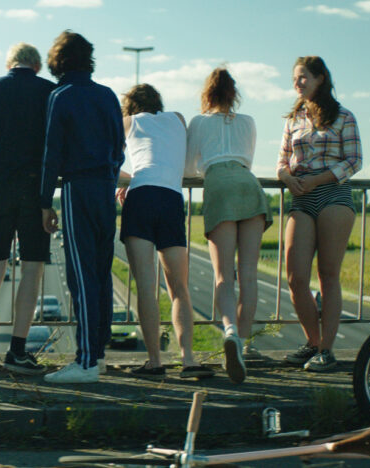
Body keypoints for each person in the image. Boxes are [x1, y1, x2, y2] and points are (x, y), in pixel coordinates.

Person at [40, 31, 124, 384]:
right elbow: (119, 147)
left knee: (81, 276)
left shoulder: (60, 96)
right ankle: (97, 353)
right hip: (106, 187)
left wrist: (45, 201)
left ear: (58, 61)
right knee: (101, 274)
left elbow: (51, 153)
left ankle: (86, 360)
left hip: (77, 187)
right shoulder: (107, 95)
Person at [0, 43, 56, 375]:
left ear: (10, 64)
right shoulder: (49, 91)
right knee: (32, 270)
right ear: (37, 65)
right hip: (35, 191)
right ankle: (17, 352)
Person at [116, 84, 215, 381]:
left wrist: (130, 179)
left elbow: (109, 162)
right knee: (179, 287)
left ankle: (154, 362)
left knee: (147, 287)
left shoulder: (128, 122)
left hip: (141, 196)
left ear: (130, 105)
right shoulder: (178, 118)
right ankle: (188, 360)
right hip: (171, 199)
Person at [185, 68, 272, 384]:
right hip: (249, 184)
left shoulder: (199, 122)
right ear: (234, 93)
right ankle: (244, 347)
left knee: (224, 276)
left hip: (219, 184)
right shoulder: (248, 121)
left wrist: (203, 167)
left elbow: (188, 167)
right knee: (248, 275)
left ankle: (230, 331)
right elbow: (248, 158)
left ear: (207, 93)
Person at [277, 56, 362, 372]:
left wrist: (318, 179)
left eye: (303, 77)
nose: (297, 83)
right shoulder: (293, 120)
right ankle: (312, 343)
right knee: (296, 277)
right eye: (295, 78)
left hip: (333, 195)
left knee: (328, 274)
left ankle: (326, 351)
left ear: (320, 78)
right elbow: (282, 161)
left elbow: (354, 161)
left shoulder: (343, 116)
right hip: (301, 198)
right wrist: (287, 178)